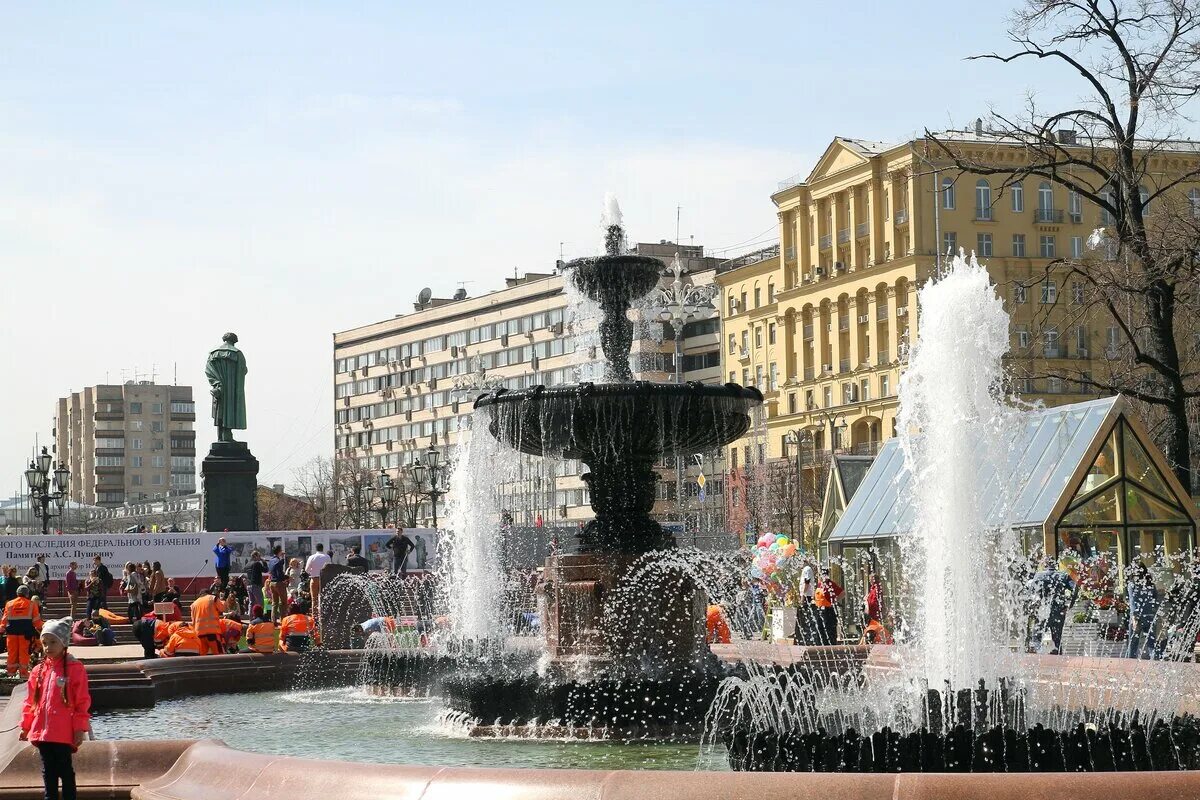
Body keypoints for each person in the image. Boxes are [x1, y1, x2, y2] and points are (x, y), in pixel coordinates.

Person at [20, 617, 91, 800]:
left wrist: (79, 728)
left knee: (65, 770)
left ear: (64, 643)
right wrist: (26, 725)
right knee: (48, 771)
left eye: (53, 642)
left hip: (62, 731)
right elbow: (30, 702)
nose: (48, 647)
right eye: (44, 643)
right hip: (42, 732)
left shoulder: (75, 668)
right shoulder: (38, 670)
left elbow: (82, 700)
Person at [1028, 557, 1077, 654]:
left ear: (1044, 565)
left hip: (1043, 611)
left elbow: (1031, 592)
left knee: (1036, 638)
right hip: (1059, 611)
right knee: (1057, 640)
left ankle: (1040, 660)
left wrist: (1034, 607)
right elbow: (1075, 588)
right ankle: (1058, 663)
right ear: (1055, 565)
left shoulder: (1039, 575)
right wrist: (1069, 605)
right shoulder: (1063, 575)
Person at [2, 586, 44, 678]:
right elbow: (36, 622)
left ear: (17, 593)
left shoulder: (9, 604)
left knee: (12, 654)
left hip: (11, 635)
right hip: (25, 635)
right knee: (23, 654)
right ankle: (23, 675)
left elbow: (4, 620)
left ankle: (10, 676)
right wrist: (44, 627)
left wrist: (1, 629)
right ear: (27, 594)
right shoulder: (32, 604)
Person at [1127, 562, 1160, 659]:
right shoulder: (1150, 584)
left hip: (1137, 616)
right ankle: (1155, 663)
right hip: (1149, 615)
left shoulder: (1132, 584)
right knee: (1151, 642)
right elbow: (1155, 598)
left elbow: (1132, 602)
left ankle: (1130, 664)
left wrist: (1134, 618)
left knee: (1133, 643)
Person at [189, 587, 224, 656]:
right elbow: (222, 609)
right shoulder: (213, 598)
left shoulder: (194, 604)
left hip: (199, 634)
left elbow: (193, 621)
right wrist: (222, 601)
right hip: (212, 632)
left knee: (202, 657)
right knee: (218, 655)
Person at [813, 568, 844, 646]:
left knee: (829, 629)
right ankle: (820, 645)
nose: (823, 577)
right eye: (822, 575)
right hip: (819, 609)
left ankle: (830, 645)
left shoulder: (831, 584)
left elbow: (842, 593)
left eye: (825, 575)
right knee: (819, 628)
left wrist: (835, 600)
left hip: (828, 610)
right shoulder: (819, 584)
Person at [304, 544, 332, 611]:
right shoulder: (327, 557)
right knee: (323, 598)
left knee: (314, 599)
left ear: (316, 549)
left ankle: (315, 617)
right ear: (322, 548)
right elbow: (330, 568)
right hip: (324, 579)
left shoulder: (312, 557)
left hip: (314, 578)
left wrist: (312, 572)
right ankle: (323, 615)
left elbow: (307, 569)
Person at [267, 546, 288, 624]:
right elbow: (280, 573)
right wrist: (285, 579)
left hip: (272, 583)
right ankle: (283, 620)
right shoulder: (278, 561)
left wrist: (282, 557)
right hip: (279, 583)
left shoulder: (271, 560)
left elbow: (278, 564)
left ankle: (273, 620)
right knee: (283, 603)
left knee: (274, 603)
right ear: (279, 551)